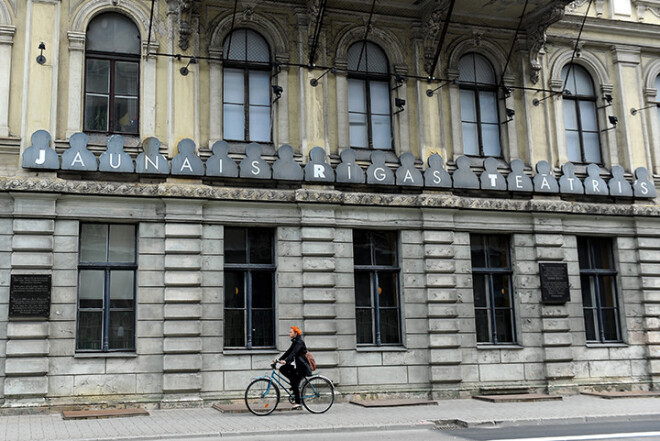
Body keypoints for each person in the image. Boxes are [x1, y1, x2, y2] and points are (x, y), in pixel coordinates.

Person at [277, 326, 312, 409]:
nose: (289, 333)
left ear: (295, 333)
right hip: (298, 365)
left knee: (294, 381)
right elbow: (288, 352)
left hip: (302, 366)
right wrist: (278, 360)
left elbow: (294, 353)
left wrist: (286, 361)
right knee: (282, 368)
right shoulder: (295, 341)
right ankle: (294, 386)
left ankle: (298, 402)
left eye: (290, 332)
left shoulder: (299, 342)